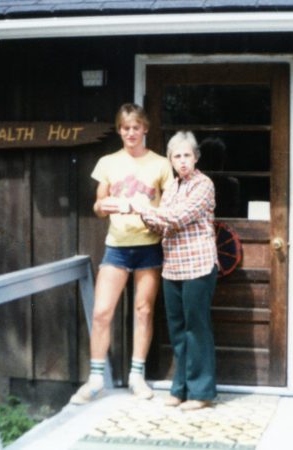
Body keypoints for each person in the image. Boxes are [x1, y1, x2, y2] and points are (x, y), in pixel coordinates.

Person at [70, 103, 173, 404]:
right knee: (102, 312)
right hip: (116, 246)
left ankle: (136, 376)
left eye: (136, 127)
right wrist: (102, 207)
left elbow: (168, 208)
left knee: (144, 310)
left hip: (149, 246)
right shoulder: (107, 162)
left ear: (145, 129)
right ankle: (95, 379)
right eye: (125, 128)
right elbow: (99, 204)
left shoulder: (160, 164)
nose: (131, 133)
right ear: (119, 130)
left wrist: (146, 211)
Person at [129, 131, 218, 411]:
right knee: (178, 330)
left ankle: (201, 393)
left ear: (196, 157)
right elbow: (159, 226)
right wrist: (143, 212)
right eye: (177, 156)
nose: (182, 161)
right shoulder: (171, 189)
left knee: (197, 329)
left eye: (187, 155)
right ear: (170, 160)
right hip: (172, 267)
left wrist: (144, 207)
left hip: (198, 265)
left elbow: (177, 218)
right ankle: (179, 389)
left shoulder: (204, 185)